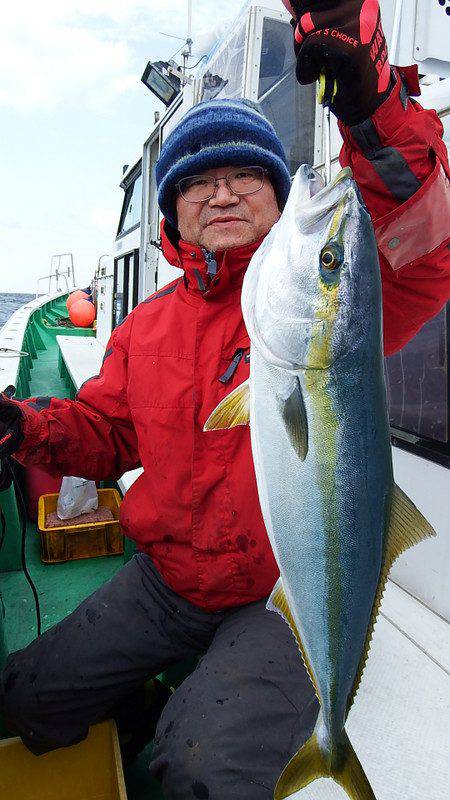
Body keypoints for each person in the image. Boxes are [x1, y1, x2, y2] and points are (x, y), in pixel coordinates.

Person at [1, 2, 449, 797]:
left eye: (245, 174)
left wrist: (371, 103)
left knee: (198, 774)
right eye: (197, 182)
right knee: (26, 696)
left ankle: (299, 725)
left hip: (281, 592)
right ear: (171, 214)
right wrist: (24, 428)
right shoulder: (146, 326)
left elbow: (423, 234)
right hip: (170, 578)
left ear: (280, 198)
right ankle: (142, 693)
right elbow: (108, 435)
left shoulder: (335, 296)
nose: (223, 194)